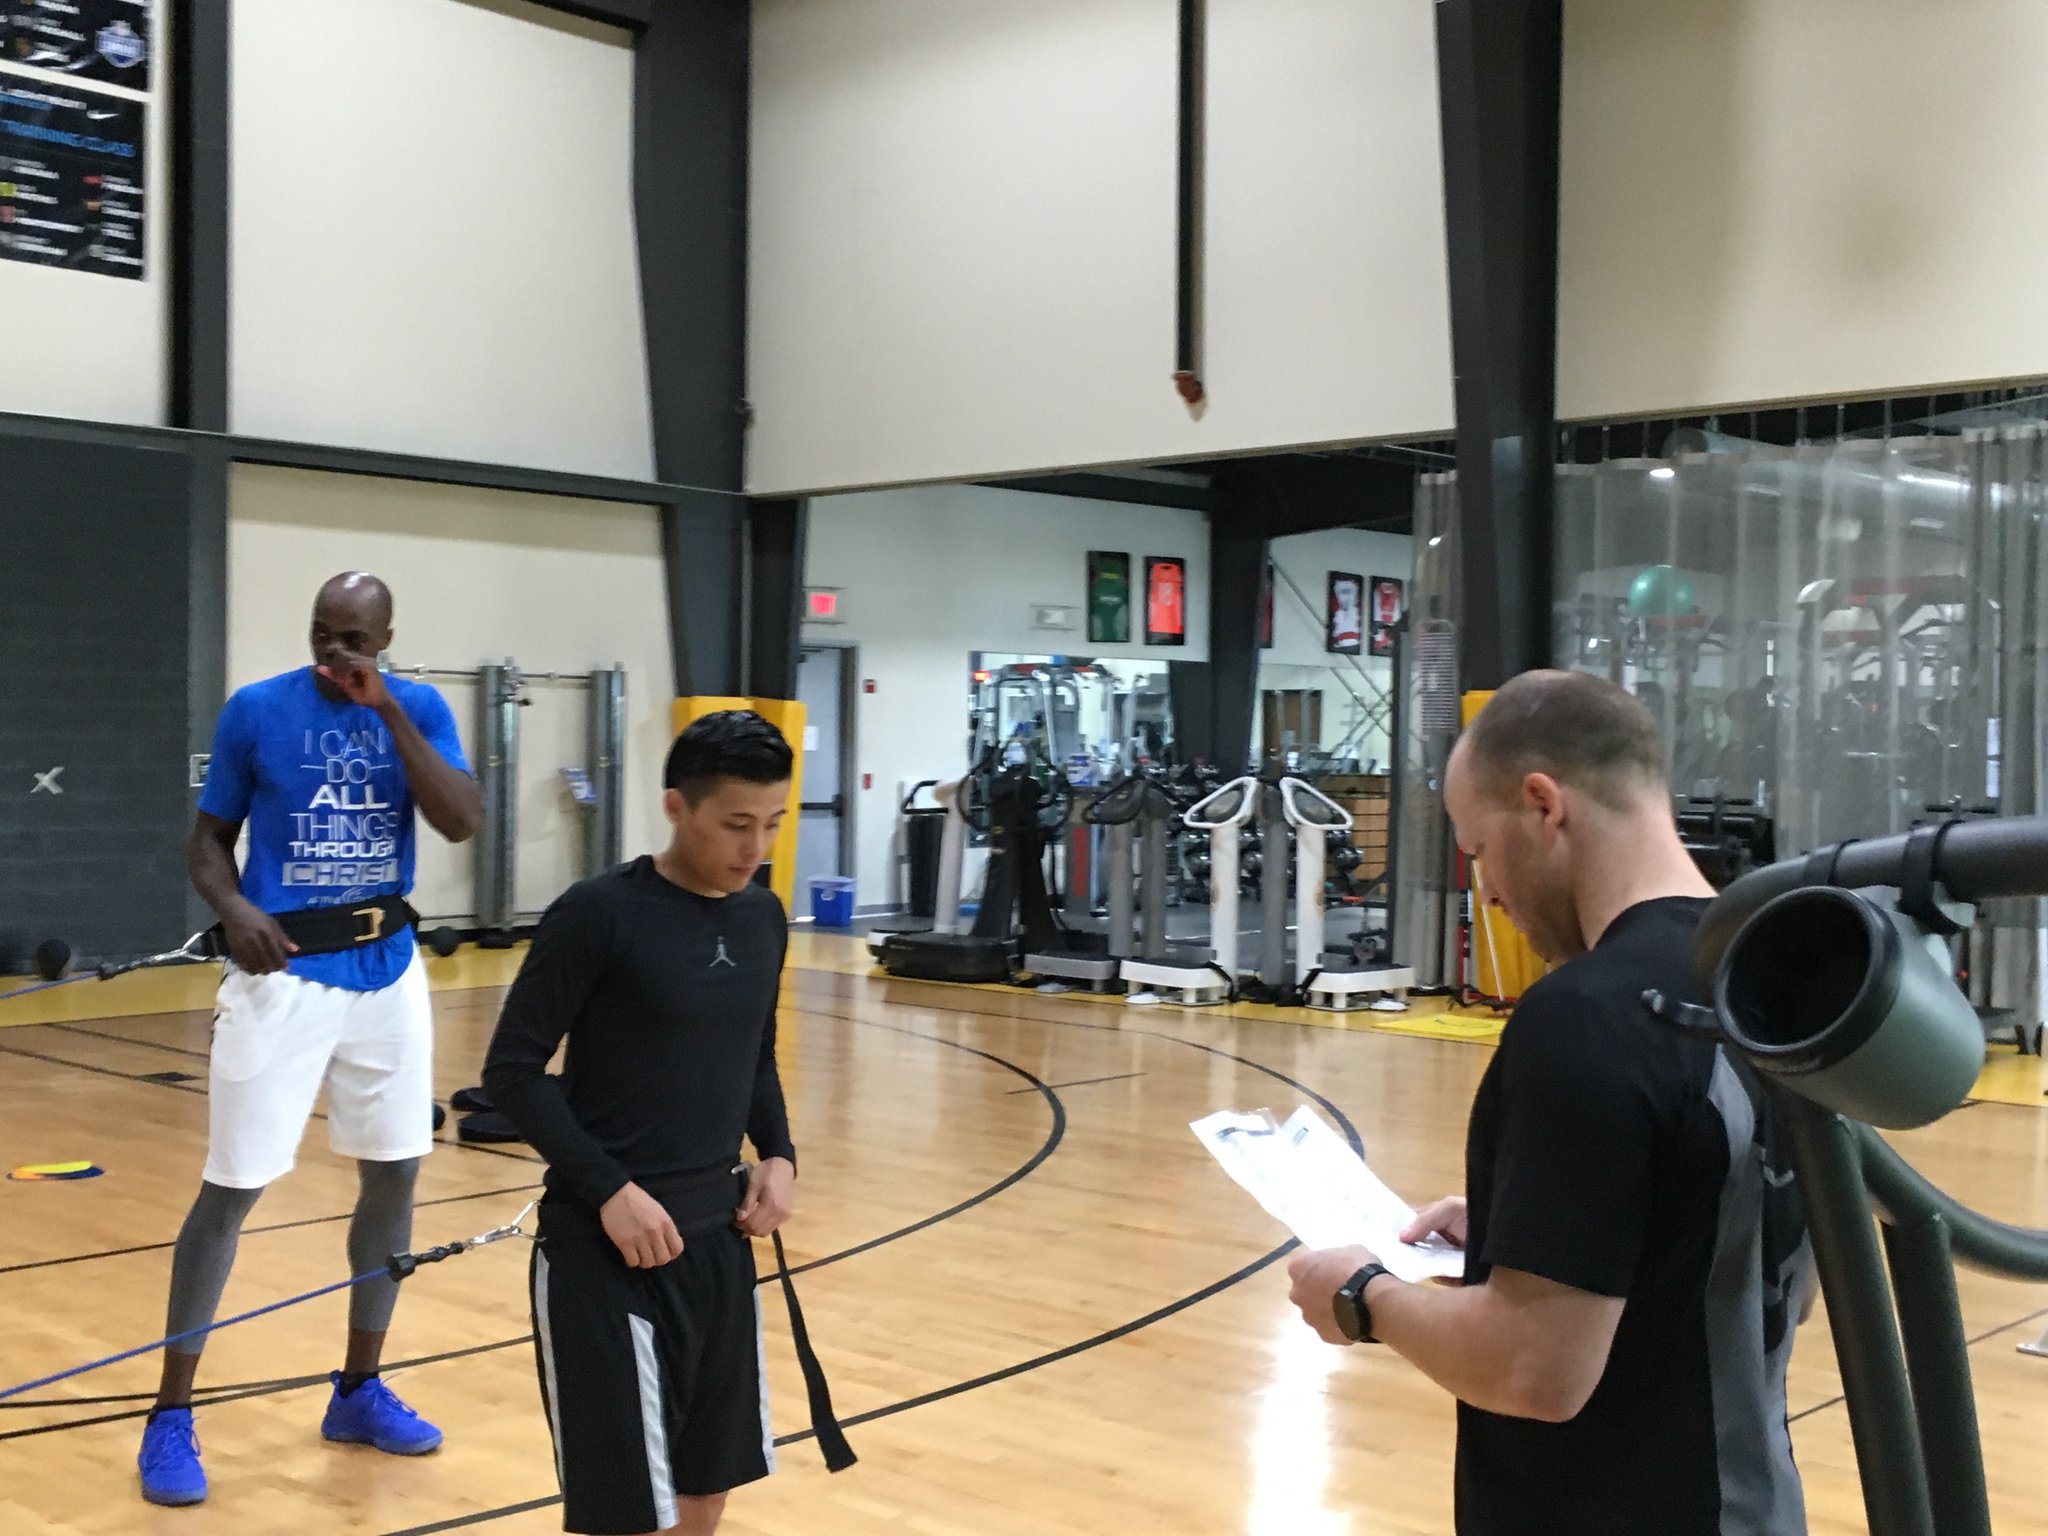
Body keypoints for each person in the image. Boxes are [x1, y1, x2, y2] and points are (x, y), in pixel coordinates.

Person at [1286, 669, 1811, 1536]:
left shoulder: (1585, 1015)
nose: (1488, 891)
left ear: (1542, 805)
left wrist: (1363, 1295)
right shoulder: (1769, 978)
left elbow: (1533, 1370)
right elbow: (1727, 1234)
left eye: (1479, 851)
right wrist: (1538, 1221)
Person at [138, 572, 481, 1507]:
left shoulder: (420, 710)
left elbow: (461, 821)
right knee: (233, 1187)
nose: (335, 651)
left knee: (395, 1174)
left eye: (354, 639)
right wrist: (235, 907)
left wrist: (387, 711)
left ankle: (359, 1391)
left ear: (386, 639)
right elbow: (207, 841)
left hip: (388, 970)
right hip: (282, 975)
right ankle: (170, 1413)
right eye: (323, 633)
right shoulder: (256, 710)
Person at [482, 710, 800, 1536]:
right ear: (675, 806)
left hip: (717, 1241)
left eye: (772, 823)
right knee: (626, 1513)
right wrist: (609, 1190)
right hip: (604, 1251)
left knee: (707, 1487)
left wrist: (779, 1153)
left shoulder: (763, 917)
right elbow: (511, 1072)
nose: (755, 846)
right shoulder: (597, 913)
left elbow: (754, 1052)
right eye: (736, 824)